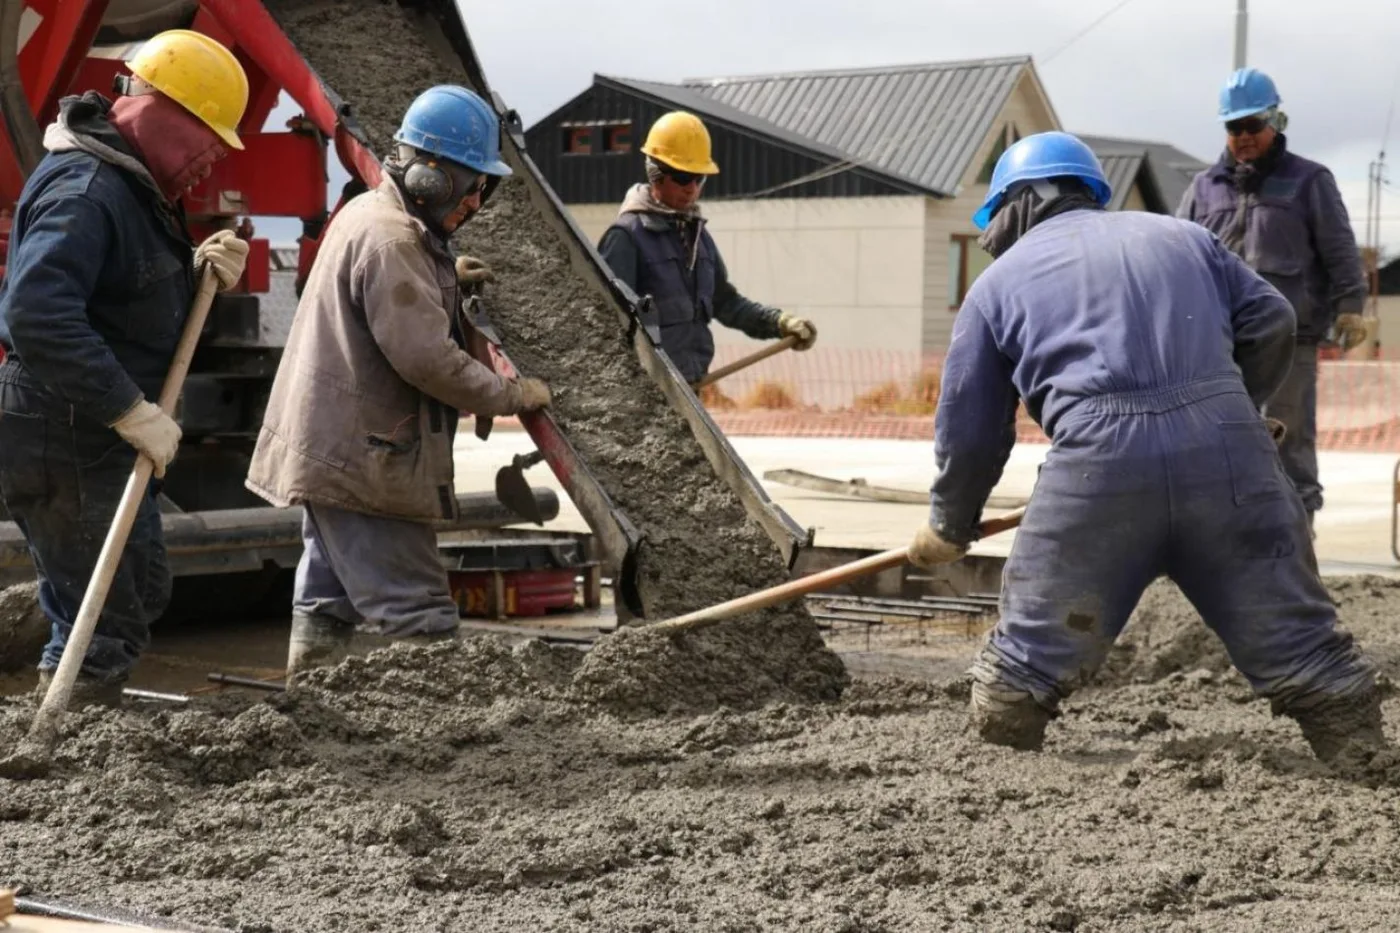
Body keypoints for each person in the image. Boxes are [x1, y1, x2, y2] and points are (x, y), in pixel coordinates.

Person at [908, 131, 1388, 772]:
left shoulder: (996, 286)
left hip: (1097, 476)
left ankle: (1001, 777)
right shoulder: (1181, 236)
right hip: (1231, 467)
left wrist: (950, 523)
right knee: (1303, 646)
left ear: (1018, 202)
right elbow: (1273, 319)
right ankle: (1364, 761)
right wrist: (1238, 413)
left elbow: (970, 431)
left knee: (1024, 664)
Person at [244, 85, 552, 676]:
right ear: (432, 177)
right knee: (418, 611)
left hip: (332, 448)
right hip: (364, 459)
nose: (474, 204)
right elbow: (428, 360)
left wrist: (444, 277)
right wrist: (513, 395)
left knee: (326, 596)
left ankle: (311, 709)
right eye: (471, 187)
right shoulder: (393, 238)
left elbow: (390, 303)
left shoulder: (369, 213)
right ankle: (442, 750)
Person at [0, 30, 252, 708]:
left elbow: (119, 292)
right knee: (105, 609)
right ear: (164, 111)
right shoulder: (88, 189)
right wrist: (128, 408)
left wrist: (193, 266)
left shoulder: (128, 187)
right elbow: (35, 311)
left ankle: (54, 656)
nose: (212, 161)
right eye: (209, 137)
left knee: (135, 583)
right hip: (66, 426)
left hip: (87, 428)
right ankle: (70, 742)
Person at [1177, 68, 1367, 531]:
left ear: (1275, 120)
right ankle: (1230, 544)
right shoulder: (1204, 187)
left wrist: (1350, 306)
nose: (1242, 137)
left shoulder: (1308, 181)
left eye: (1251, 125)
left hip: (1290, 341)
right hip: (1219, 343)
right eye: (1233, 127)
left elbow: (1340, 249)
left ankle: (1297, 545)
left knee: (1290, 442)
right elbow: (1177, 255)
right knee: (1219, 439)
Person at [596, 110, 817, 385]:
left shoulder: (698, 238)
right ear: (656, 174)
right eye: (681, 177)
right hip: (645, 394)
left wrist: (778, 322)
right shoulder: (626, 237)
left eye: (698, 178)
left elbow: (725, 302)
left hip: (690, 389)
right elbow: (605, 327)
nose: (691, 188)